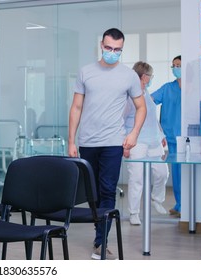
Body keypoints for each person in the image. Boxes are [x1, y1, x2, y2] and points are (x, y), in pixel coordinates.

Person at [68, 28, 146, 260]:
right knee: (91, 193)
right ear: (102, 45)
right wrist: (71, 140)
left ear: (122, 49)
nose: (113, 53)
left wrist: (133, 134)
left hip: (113, 142)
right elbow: (76, 108)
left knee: (107, 190)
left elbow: (141, 108)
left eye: (118, 50)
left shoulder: (128, 75)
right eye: (109, 48)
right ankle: (98, 230)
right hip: (87, 142)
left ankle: (101, 241)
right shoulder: (86, 72)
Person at [124, 61, 169, 226]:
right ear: (144, 77)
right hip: (136, 142)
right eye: (150, 76)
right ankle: (134, 213)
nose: (151, 79)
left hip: (153, 141)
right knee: (136, 178)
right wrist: (126, 144)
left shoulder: (146, 92)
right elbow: (121, 120)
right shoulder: (129, 96)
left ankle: (157, 198)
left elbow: (151, 117)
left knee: (162, 172)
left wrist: (161, 134)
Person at [151, 55, 182, 218]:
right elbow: (149, 101)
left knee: (190, 173)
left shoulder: (194, 87)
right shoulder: (167, 88)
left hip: (189, 137)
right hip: (171, 137)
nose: (175, 69)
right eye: (173, 66)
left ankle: (190, 205)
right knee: (176, 173)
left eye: (178, 65)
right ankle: (180, 205)